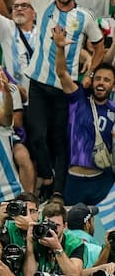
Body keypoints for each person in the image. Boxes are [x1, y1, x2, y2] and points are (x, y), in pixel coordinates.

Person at [24, 0, 105, 198]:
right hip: (38, 83)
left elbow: (100, 47)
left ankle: (58, 192)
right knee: (37, 135)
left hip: (64, 87)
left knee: (60, 141)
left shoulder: (85, 17)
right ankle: (47, 176)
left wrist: (90, 74)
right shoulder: (44, 4)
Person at [53, 25, 115, 205]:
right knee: (74, 232)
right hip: (74, 181)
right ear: (92, 80)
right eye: (98, 79)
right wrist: (59, 48)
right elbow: (62, 73)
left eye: (107, 80)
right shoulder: (78, 99)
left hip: (103, 181)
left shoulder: (113, 111)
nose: (101, 83)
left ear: (113, 86)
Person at [24, 202, 85, 275]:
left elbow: (74, 274)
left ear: (64, 226)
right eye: (48, 224)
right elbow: (29, 274)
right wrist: (29, 244)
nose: (51, 230)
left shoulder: (74, 244)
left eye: (56, 225)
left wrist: (57, 248)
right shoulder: (37, 240)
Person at [67, 203, 102, 268]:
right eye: (92, 221)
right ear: (87, 224)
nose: (93, 225)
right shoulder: (98, 251)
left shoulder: (60, 248)